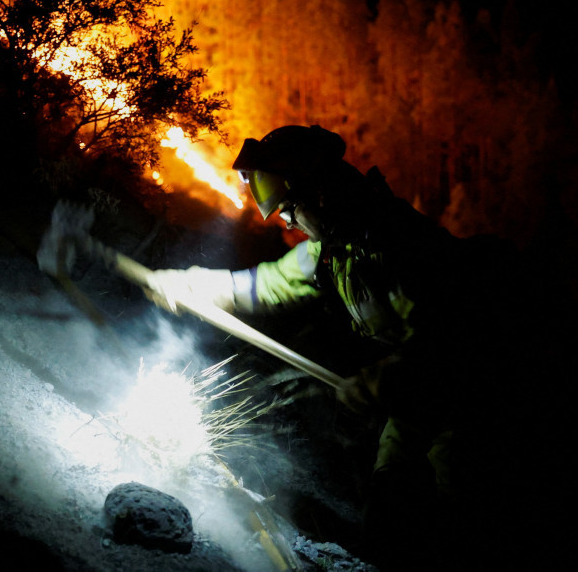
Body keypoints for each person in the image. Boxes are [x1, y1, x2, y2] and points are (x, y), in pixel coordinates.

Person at [145, 125, 525, 566]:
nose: (284, 221)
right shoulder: (332, 249)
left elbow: (451, 339)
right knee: (389, 508)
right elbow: (267, 285)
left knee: (463, 517)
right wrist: (189, 284)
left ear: (319, 193)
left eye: (289, 208)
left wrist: (380, 380)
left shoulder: (395, 243)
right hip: (416, 401)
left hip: (475, 400)